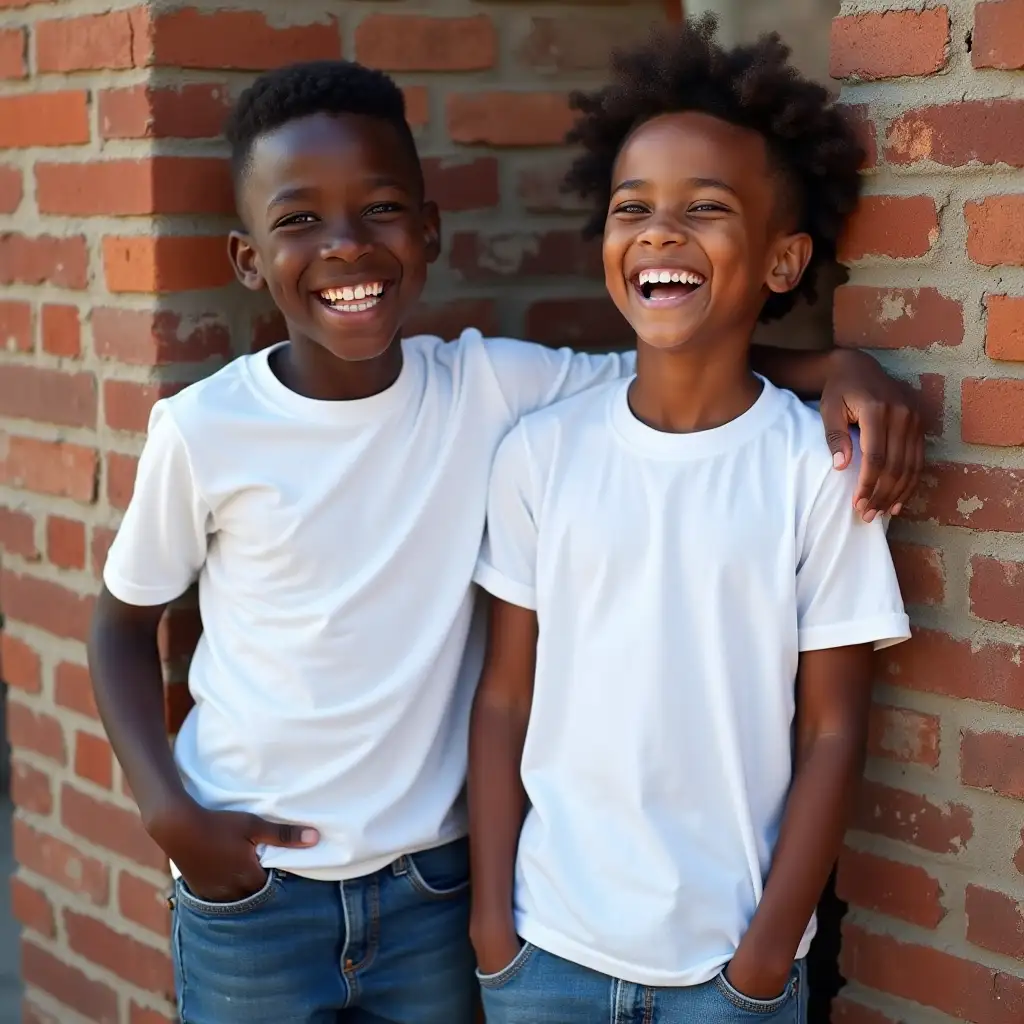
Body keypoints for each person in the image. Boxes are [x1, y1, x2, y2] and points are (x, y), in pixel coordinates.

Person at [87, 57, 918, 1024]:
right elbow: (119, 623)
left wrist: (840, 363)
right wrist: (166, 811)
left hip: (433, 885)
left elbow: (676, 347)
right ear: (246, 259)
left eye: (382, 210)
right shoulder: (206, 429)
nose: (347, 246)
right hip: (254, 885)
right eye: (299, 220)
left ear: (430, 230)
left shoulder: (493, 390)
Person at [468, 18, 912, 1024]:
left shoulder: (814, 468)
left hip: (729, 972)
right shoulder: (541, 452)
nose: (660, 232)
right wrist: (493, 930)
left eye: (703, 209)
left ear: (782, 261)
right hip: (547, 952)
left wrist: (762, 961)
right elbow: (502, 700)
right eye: (635, 209)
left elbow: (835, 727)